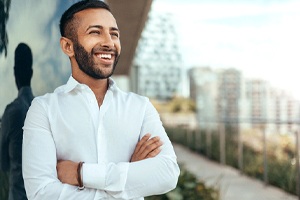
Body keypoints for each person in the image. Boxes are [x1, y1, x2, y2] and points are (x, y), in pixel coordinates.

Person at [22, 1, 179, 200]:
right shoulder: (43, 109)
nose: (109, 42)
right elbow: (41, 193)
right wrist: (129, 175)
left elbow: (167, 173)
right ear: (68, 46)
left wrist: (81, 173)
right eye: (95, 32)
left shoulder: (140, 107)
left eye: (114, 34)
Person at [0, 42, 34, 200]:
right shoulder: (45, 112)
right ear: (31, 73)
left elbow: (3, 163)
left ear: (14, 72)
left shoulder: (12, 112)